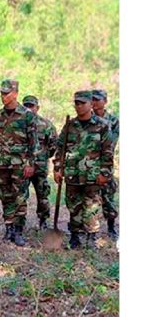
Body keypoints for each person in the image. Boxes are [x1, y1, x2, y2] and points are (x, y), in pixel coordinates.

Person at [54, 91, 114, 249]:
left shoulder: (102, 125)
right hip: (73, 174)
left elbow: (107, 151)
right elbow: (60, 149)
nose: (79, 106)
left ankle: (91, 237)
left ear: (91, 104)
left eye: (82, 103)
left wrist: (105, 173)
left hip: (92, 174)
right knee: (74, 205)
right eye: (76, 103)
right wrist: (57, 168)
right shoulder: (70, 125)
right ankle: (75, 236)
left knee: (92, 206)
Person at [0, 79, 39, 246]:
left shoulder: (27, 115)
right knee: (5, 196)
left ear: (15, 94)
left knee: (20, 197)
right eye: (2, 93)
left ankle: (18, 230)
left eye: (6, 93)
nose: (3, 96)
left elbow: (34, 142)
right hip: (2, 163)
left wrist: (31, 163)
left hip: (20, 164)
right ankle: (8, 228)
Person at [21, 96, 57, 230]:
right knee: (20, 195)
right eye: (26, 106)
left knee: (43, 195)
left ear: (37, 108)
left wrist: (44, 156)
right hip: (23, 166)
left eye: (31, 106)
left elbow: (54, 145)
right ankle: (19, 222)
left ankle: (43, 220)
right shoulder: (19, 124)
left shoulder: (46, 125)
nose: (29, 109)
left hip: (40, 167)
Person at [92, 89, 119, 239]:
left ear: (105, 101)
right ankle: (89, 229)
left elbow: (111, 143)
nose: (94, 102)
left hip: (105, 163)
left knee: (108, 196)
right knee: (89, 198)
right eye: (92, 99)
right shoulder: (86, 119)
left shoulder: (113, 121)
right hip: (88, 165)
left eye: (98, 99)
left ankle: (111, 227)